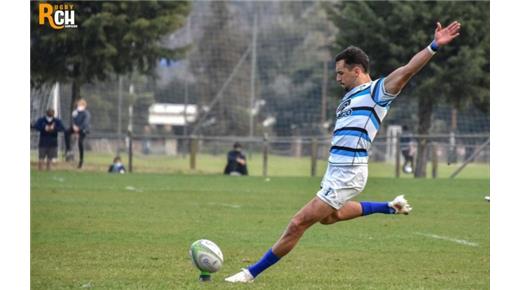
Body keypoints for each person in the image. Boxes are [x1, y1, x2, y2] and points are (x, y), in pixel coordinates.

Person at [225, 21, 461, 283]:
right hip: (334, 170)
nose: (337, 79)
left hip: (349, 172)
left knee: (297, 223)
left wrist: (433, 46)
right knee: (329, 218)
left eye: (340, 73)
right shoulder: (348, 97)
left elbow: (406, 71)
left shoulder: (376, 92)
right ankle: (389, 207)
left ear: (357, 70)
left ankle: (250, 273)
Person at [64, 98, 91, 169]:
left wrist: (79, 128)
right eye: (78, 104)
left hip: (83, 129)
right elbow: (72, 120)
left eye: (81, 104)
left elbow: (85, 122)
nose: (79, 105)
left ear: (84, 105)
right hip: (75, 127)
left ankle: (81, 160)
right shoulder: (75, 112)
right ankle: (68, 149)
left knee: (80, 143)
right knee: (67, 132)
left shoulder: (86, 113)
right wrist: (74, 126)